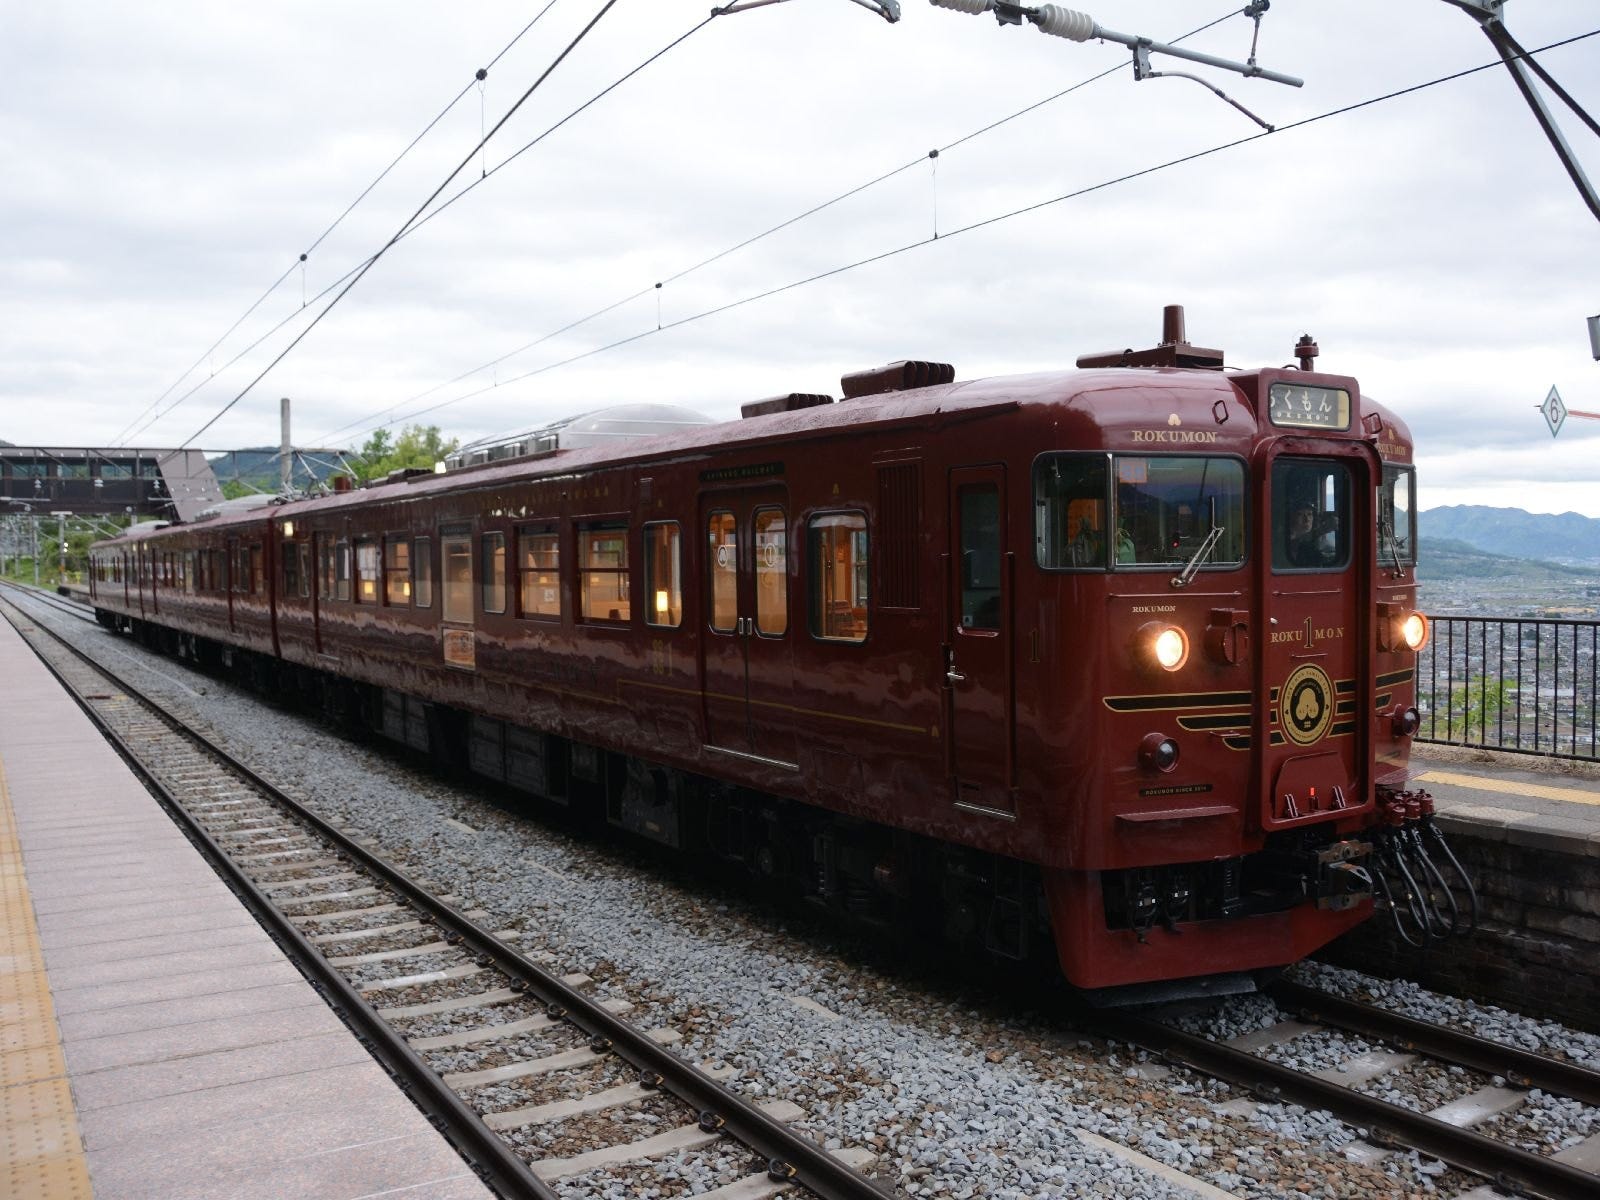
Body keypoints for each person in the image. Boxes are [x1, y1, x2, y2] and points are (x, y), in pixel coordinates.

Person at [1286, 503, 1330, 567]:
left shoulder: (1309, 544)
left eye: (1309, 514)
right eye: (1300, 514)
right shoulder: (1285, 538)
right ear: (1291, 517)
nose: (1307, 519)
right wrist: (1321, 530)